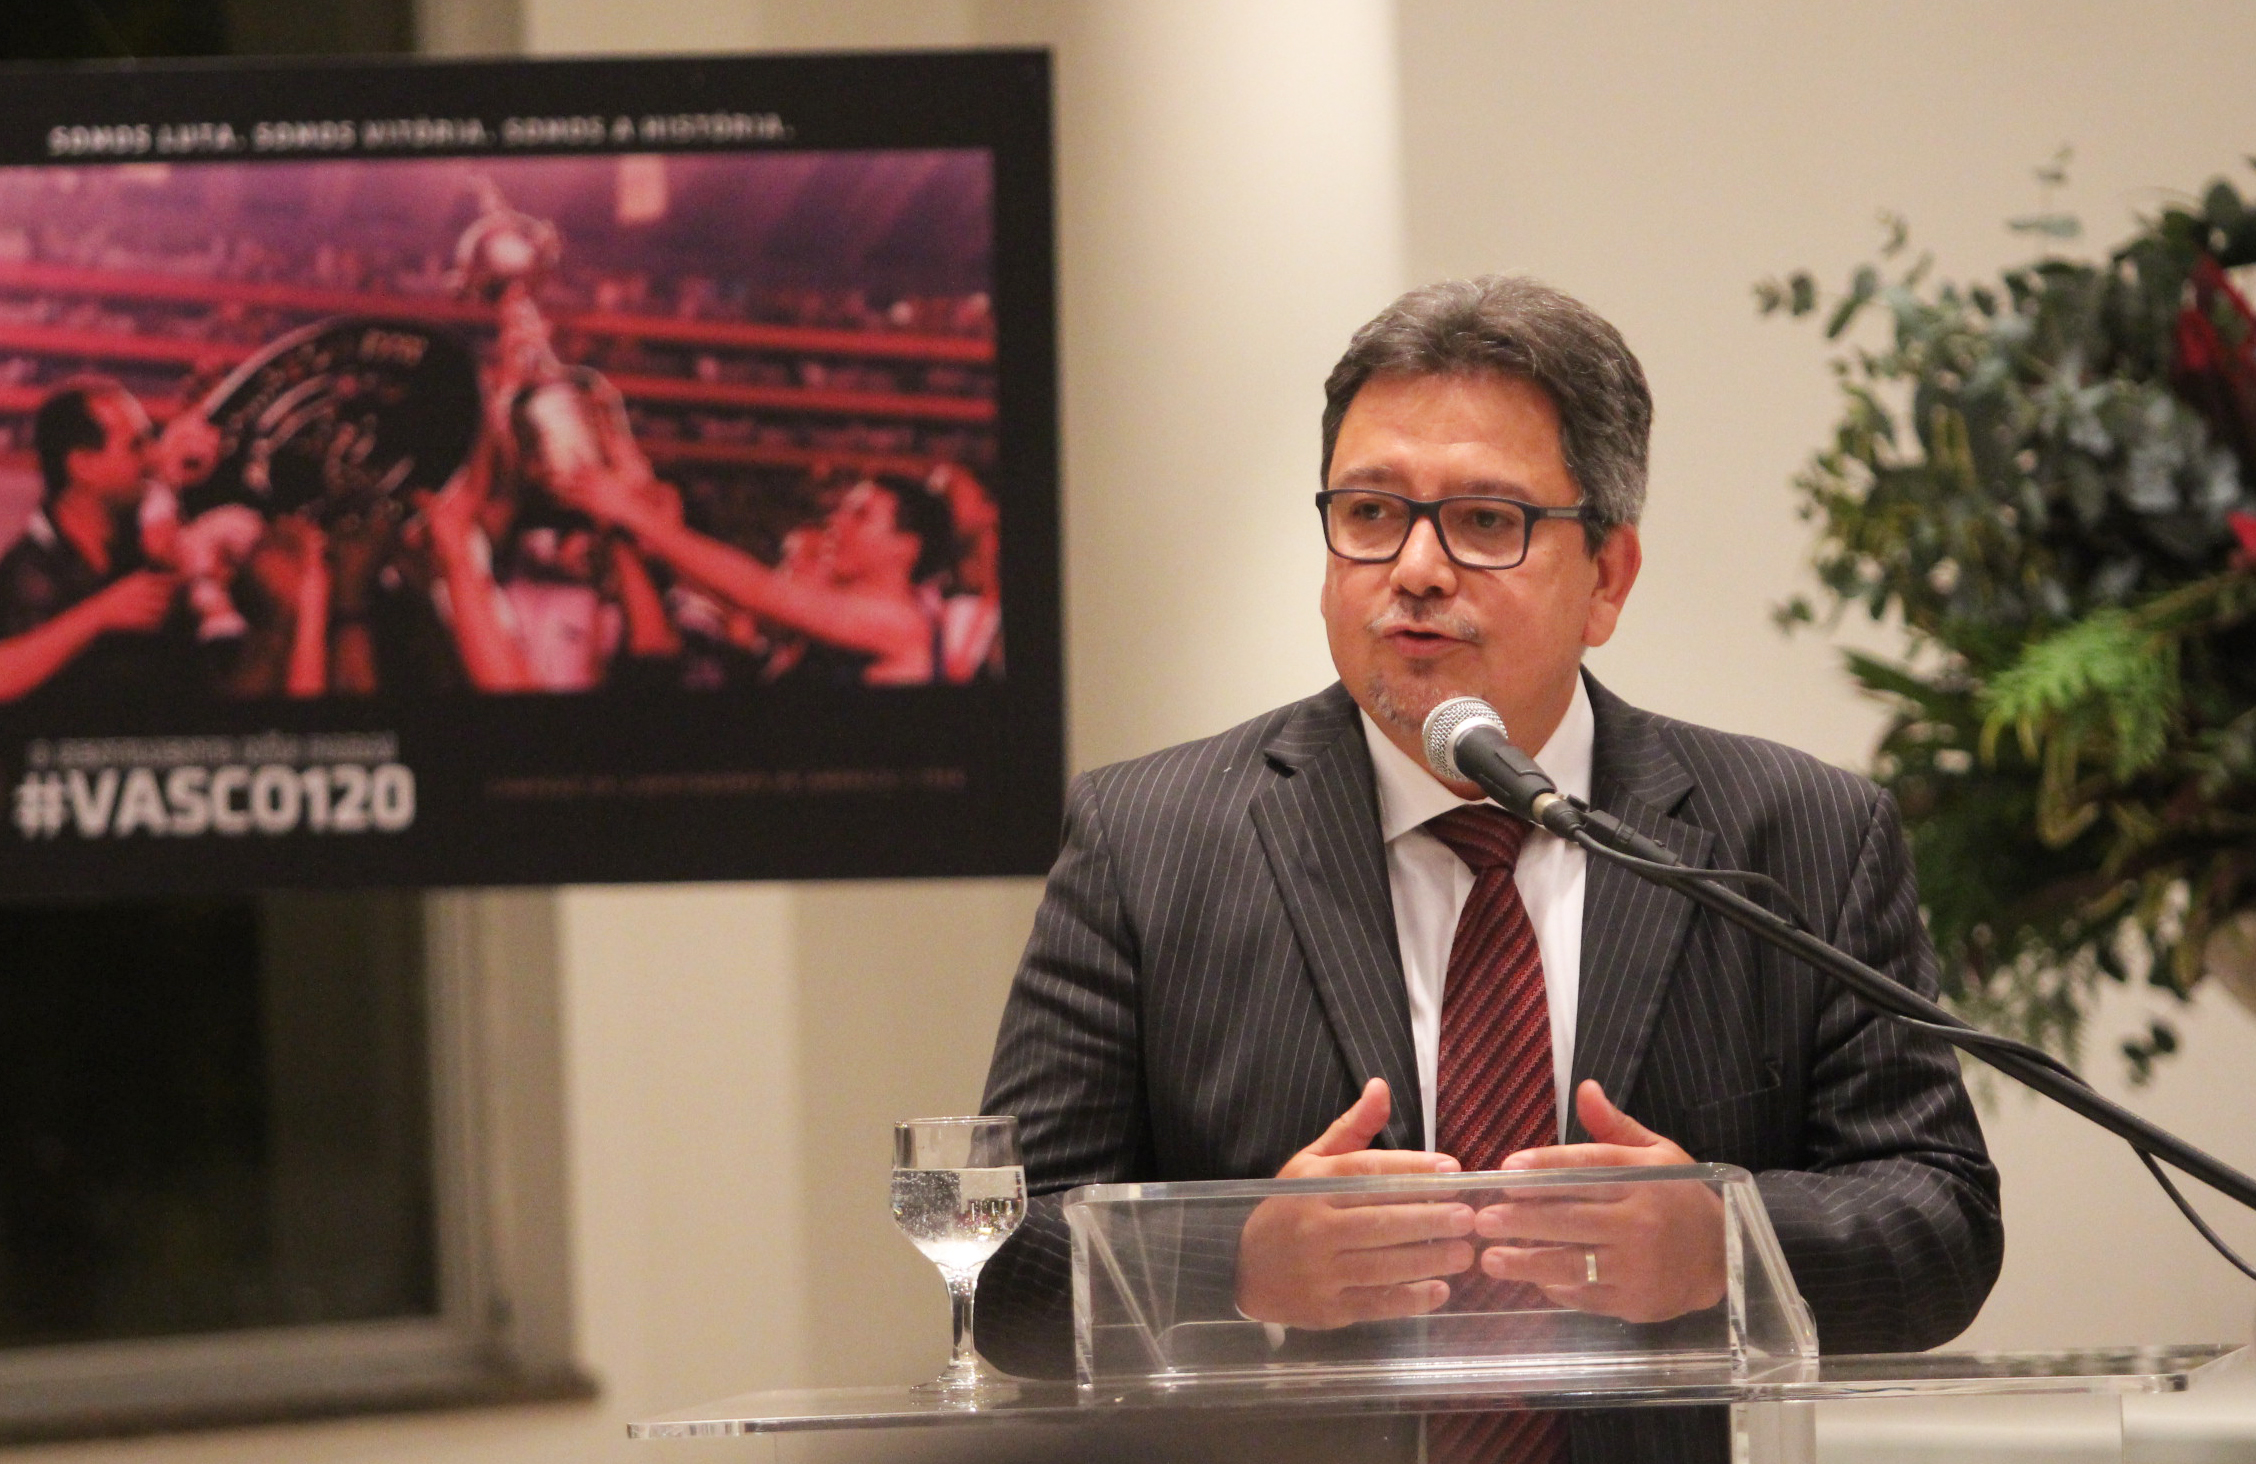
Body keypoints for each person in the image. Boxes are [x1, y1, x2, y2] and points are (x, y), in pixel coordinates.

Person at [976, 277, 2002, 1463]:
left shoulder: (1798, 838)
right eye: (1371, 512)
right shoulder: (1148, 841)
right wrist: (1239, 1264)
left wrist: (1724, 1247)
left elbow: (1942, 1220)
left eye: (1484, 521)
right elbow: (1000, 1261)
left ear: (1608, 577)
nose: (1415, 567)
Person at [552, 464, 968, 687]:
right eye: (842, 510)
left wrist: (637, 515)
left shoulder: (900, 622)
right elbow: (735, 597)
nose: (836, 522)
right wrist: (662, 534)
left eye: (860, 515)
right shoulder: (848, 613)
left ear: (905, 547)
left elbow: (757, 590)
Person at [0, 378, 217, 702]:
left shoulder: (145, 540)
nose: (153, 456)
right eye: (136, 445)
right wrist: (101, 614)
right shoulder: (27, 571)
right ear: (82, 465)